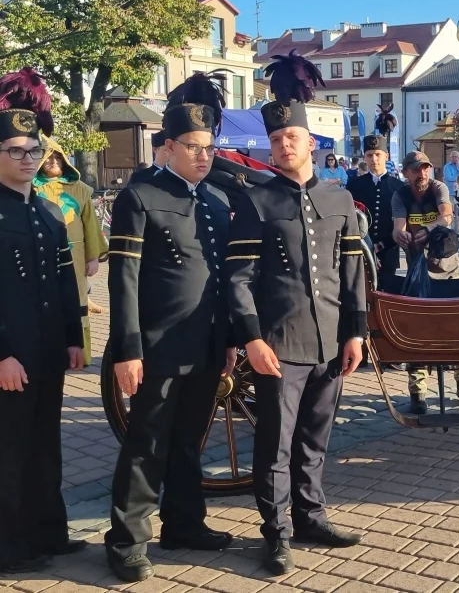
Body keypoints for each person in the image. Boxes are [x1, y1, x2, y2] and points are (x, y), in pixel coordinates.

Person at [227, 51, 367, 576]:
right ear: (271, 144)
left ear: (312, 143)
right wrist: (252, 340)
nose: (285, 145)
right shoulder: (256, 201)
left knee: (315, 439)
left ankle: (311, 517)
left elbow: (351, 276)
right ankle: (277, 532)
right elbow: (237, 280)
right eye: (277, 139)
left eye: (294, 138)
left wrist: (356, 333)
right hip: (279, 346)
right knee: (275, 445)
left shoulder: (341, 200)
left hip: (331, 342)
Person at [105, 74, 236, 582]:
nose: (205, 157)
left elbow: (221, 281)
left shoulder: (215, 202)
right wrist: (127, 349)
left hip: (204, 344)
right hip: (156, 346)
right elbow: (124, 282)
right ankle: (126, 540)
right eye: (194, 148)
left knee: (188, 441)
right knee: (147, 444)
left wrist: (226, 341)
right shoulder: (139, 197)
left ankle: (184, 525)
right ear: (167, 148)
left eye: (209, 147)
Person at [0, 68, 84, 574]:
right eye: (14, 151)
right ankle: (9, 546)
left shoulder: (50, 213)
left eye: (33, 151)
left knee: (45, 446)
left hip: (49, 351)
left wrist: (73, 340)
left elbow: (66, 283)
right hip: (10, 354)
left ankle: (47, 532)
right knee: (8, 453)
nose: (27, 159)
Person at [392, 151, 459, 414]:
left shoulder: (438, 187)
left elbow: (447, 216)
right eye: (417, 170)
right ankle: (418, 391)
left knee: (458, 326)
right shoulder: (401, 195)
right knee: (417, 330)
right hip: (418, 274)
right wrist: (400, 233)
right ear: (406, 172)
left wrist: (428, 231)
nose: (422, 174)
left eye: (426, 168)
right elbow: (398, 225)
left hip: (448, 269)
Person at [33, 137, 108, 367]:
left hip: (75, 256)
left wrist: (93, 257)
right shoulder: (30, 189)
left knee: (77, 301)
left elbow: (91, 225)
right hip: (40, 255)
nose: (53, 161)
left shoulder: (81, 190)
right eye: (48, 157)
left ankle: (80, 352)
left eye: (58, 157)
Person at [347, 134, 404, 290]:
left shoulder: (398, 187)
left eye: (378, 154)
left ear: (386, 156)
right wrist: (368, 249)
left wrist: (381, 246)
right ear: (364, 157)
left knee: (387, 295)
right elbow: (351, 220)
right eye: (370, 155)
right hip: (361, 250)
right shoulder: (355, 185)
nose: (374, 159)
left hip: (389, 250)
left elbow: (401, 222)